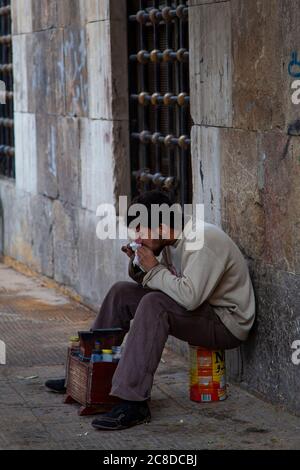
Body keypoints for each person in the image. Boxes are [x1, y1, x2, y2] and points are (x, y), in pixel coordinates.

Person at [45, 190, 256, 430]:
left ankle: (133, 402)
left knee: (154, 305)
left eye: (140, 231)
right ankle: (90, 374)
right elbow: (167, 284)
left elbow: (189, 298)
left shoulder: (203, 240)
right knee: (121, 293)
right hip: (202, 311)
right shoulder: (167, 241)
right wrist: (139, 266)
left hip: (226, 323)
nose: (137, 238)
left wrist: (153, 268)